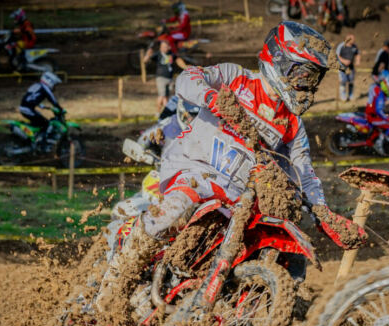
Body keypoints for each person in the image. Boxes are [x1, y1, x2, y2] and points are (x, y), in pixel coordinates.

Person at [98, 21, 366, 309]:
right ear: (279, 60)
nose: (306, 85)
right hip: (194, 171)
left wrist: (322, 211)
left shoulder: (292, 123)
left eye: (313, 79)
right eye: (301, 74)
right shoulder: (236, 78)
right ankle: (114, 281)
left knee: (261, 245)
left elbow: (305, 173)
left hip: (236, 199)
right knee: (174, 209)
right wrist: (210, 96)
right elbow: (187, 78)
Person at [19, 72, 62, 152]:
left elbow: (32, 98)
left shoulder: (37, 85)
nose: (54, 87)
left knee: (38, 123)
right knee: (46, 123)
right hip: (28, 109)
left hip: (25, 107)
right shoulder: (45, 88)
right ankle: (42, 144)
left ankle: (34, 139)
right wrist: (60, 108)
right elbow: (52, 99)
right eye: (55, 85)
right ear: (50, 81)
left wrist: (44, 107)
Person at [143, 40, 188, 114]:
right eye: (162, 46)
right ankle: (159, 112)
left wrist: (185, 67)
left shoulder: (171, 54)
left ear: (169, 47)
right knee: (162, 96)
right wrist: (148, 54)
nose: (163, 48)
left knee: (167, 96)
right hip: (161, 78)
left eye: (165, 46)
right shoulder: (158, 54)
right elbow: (145, 61)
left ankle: (165, 113)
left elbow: (178, 60)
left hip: (169, 78)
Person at [365, 69, 389, 155]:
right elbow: (379, 111)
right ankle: (378, 144)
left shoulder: (377, 88)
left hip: (373, 115)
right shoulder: (380, 93)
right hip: (372, 117)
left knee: (388, 122)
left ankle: (378, 140)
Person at [335, 34, 360, 101]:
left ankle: (351, 96)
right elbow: (337, 55)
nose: (354, 40)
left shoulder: (354, 46)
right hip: (342, 67)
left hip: (351, 67)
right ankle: (343, 96)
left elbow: (357, 54)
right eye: (352, 39)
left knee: (351, 81)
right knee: (343, 81)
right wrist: (344, 61)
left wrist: (358, 61)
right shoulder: (341, 46)